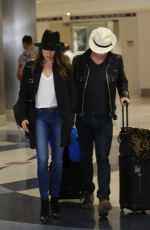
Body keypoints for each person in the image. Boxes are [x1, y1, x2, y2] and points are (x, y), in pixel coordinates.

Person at [16, 30, 75, 221]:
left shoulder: (64, 68)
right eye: (46, 49)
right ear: (42, 49)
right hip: (39, 117)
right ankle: (44, 203)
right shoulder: (31, 67)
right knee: (42, 161)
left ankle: (55, 200)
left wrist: (70, 116)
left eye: (52, 49)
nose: (49, 52)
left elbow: (72, 95)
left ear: (57, 50)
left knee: (57, 162)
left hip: (58, 116)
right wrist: (22, 117)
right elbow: (23, 95)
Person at [73, 27, 129, 217]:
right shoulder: (79, 61)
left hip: (104, 118)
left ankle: (104, 197)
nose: (100, 53)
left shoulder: (116, 60)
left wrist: (124, 95)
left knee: (103, 158)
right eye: (98, 48)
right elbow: (72, 87)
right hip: (83, 117)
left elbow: (122, 80)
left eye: (104, 49)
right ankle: (87, 193)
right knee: (85, 158)